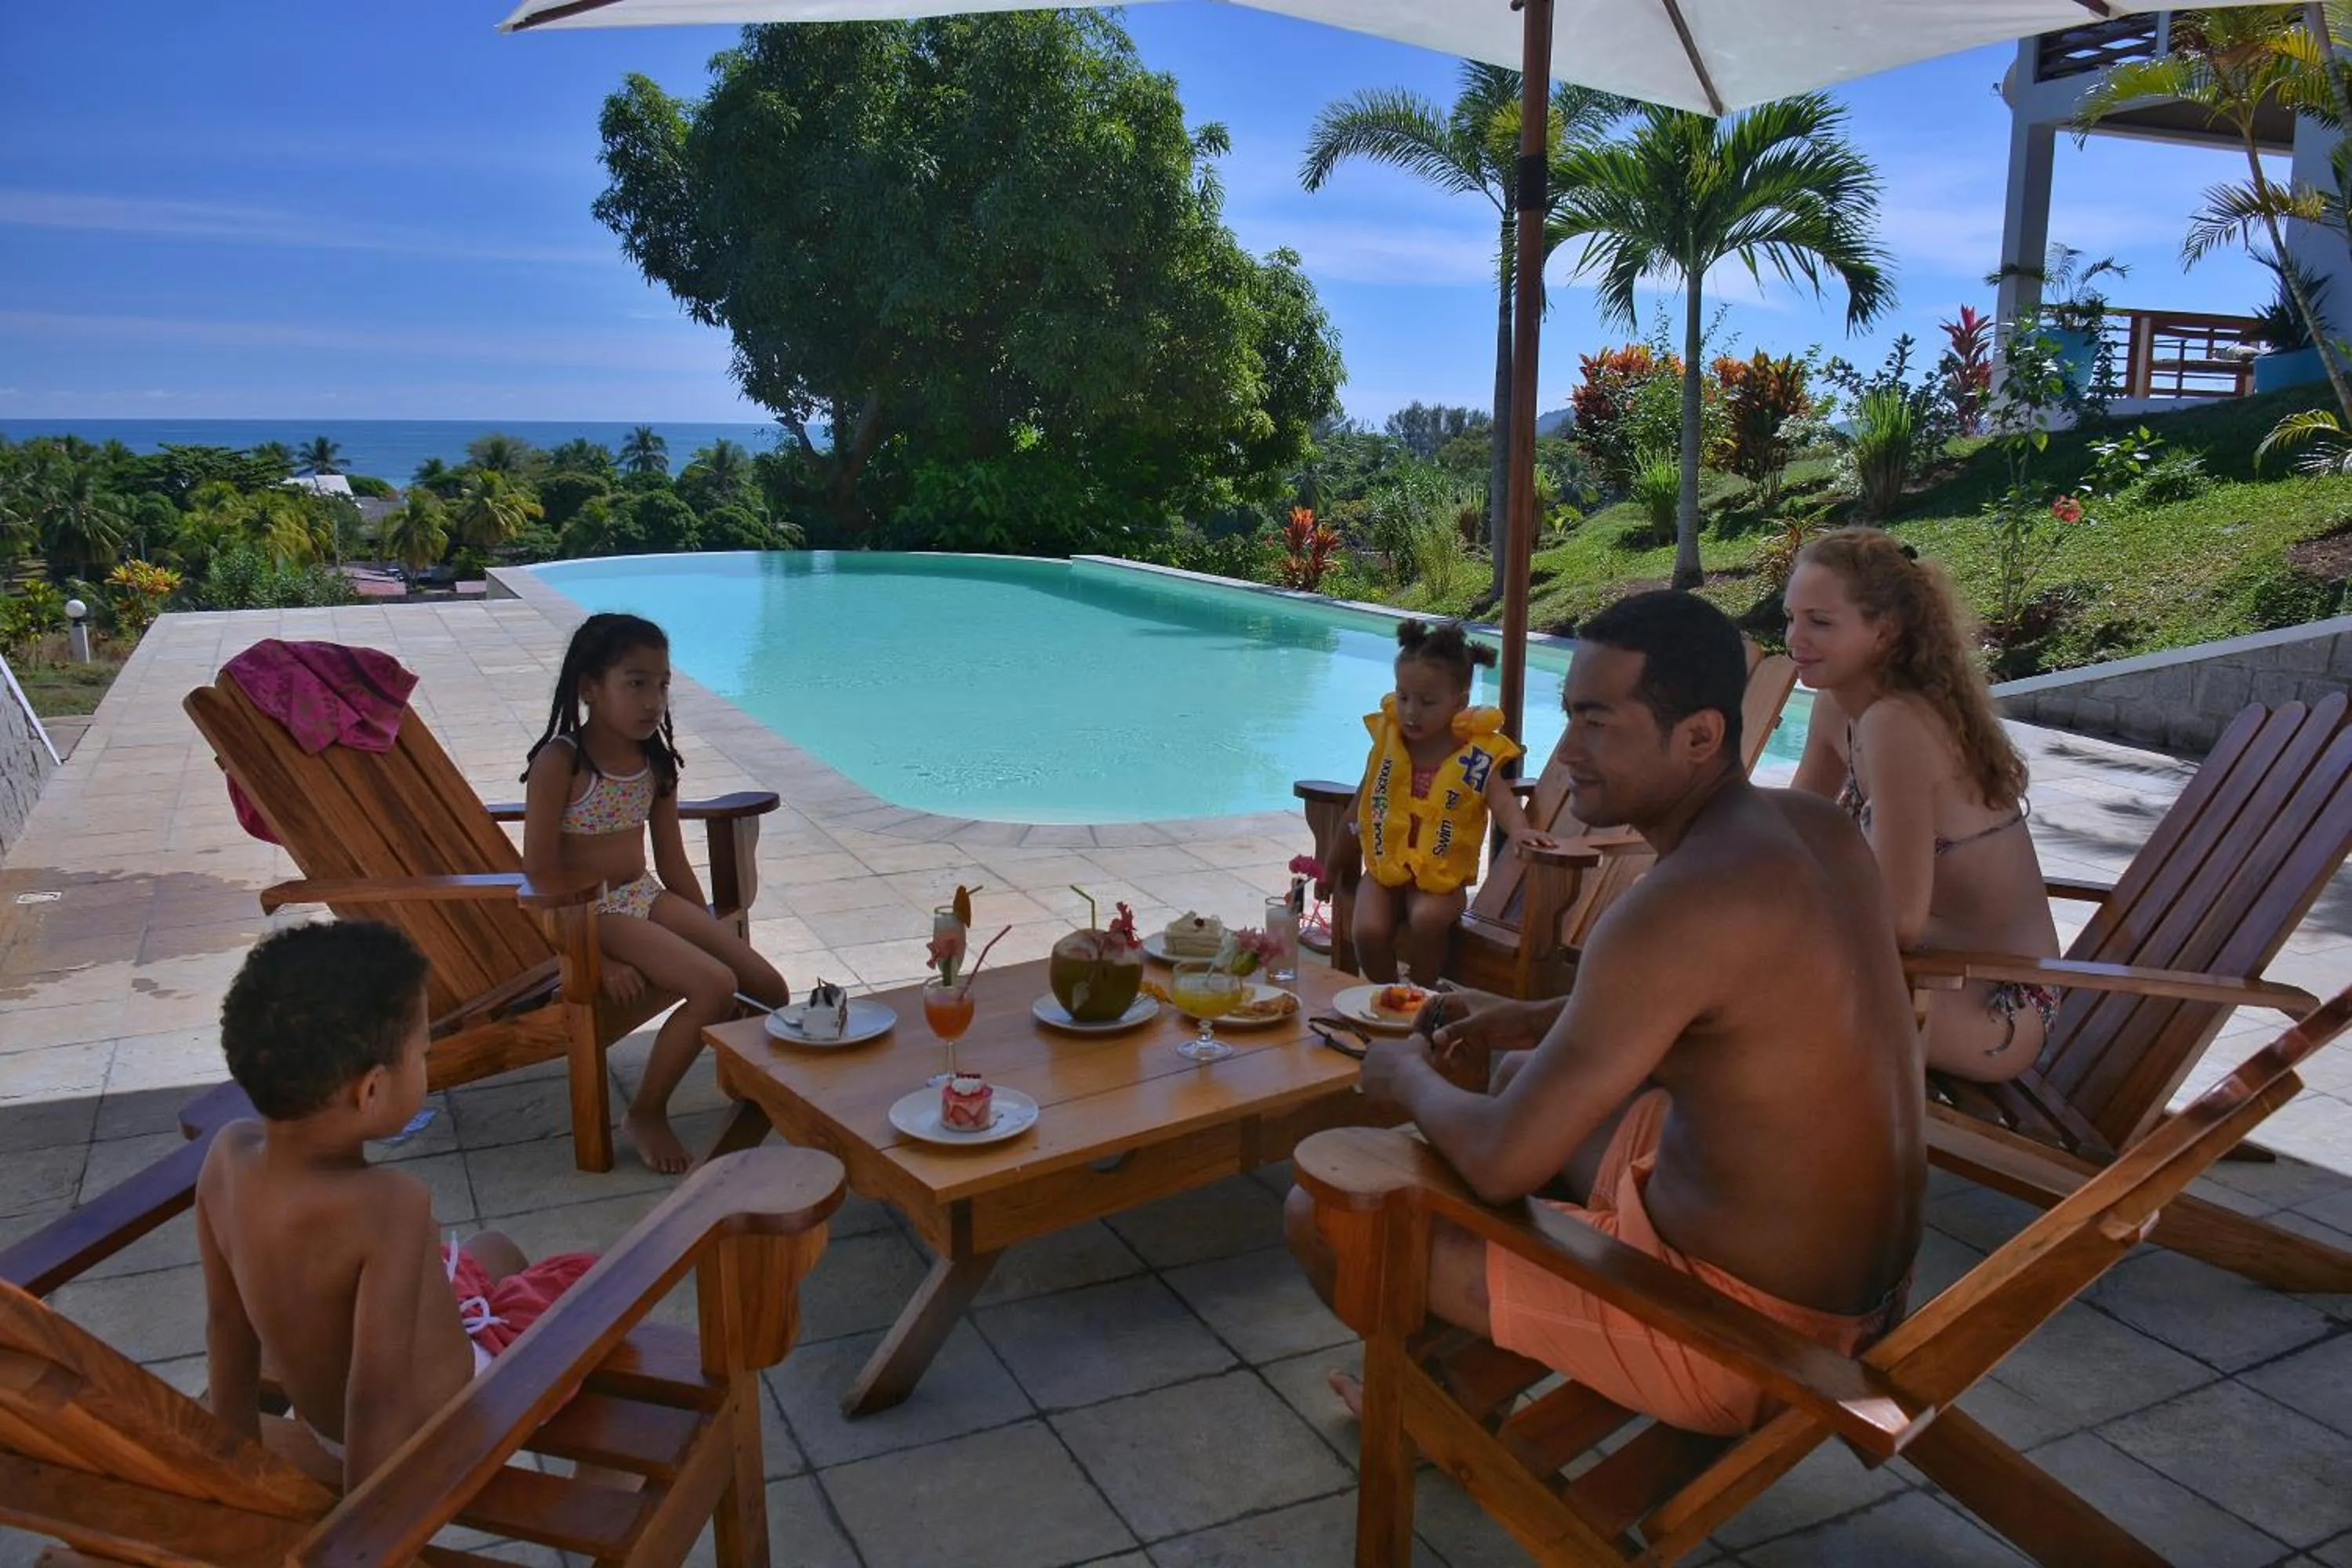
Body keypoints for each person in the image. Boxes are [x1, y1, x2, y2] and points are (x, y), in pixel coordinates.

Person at [1289, 591, 1924, 1436]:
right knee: (1518, 1070)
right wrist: (1534, 1014)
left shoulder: (1677, 904)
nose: (1569, 752)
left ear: (1699, 735)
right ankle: (1453, 1392)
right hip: (1860, 1287)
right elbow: (1733, 1016)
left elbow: (1502, 1163)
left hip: (1754, 1335)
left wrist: (1402, 1074)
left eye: (1596, 723)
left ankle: (1432, 1420)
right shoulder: (1815, 828)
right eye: (1569, 718)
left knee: (1329, 1215)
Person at [196, 921, 599, 1486]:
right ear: (372, 1090)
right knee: (594, 1292)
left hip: (327, 1426)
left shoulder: (226, 1156)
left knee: (494, 1249)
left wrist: (233, 1466)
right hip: (435, 1432)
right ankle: (608, 1493)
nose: (427, 1067)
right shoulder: (389, 1208)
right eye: (424, 1054)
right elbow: (377, 1399)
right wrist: (367, 1537)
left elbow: (226, 1325)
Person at [1784, 528, 2062, 1081]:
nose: (1796, 638)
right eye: (1790, 618)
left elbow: (1900, 921)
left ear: (1883, 632)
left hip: (1990, 1003)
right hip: (1919, 977)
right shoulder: (1839, 708)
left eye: (1820, 622)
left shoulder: (1898, 724)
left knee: (1748, 989)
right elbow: (1792, 834)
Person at [522, 612, 790, 1171]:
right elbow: (539, 877)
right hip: (589, 912)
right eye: (635, 682)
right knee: (714, 985)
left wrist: (709, 931)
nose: (653, 700)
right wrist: (597, 955)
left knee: (767, 985)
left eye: (663, 684)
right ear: (590, 687)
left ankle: (744, 1089)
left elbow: (672, 863)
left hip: (642, 897)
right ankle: (645, 1110)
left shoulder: (655, 761)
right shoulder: (562, 762)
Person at [1350, 619, 1555, 983]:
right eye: (1403, 697)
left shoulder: (1472, 755)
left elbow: (1502, 800)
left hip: (1440, 876)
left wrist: (1521, 831)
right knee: (1367, 931)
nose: (1411, 711)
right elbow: (1363, 800)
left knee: (1427, 920)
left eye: (1427, 702)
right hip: (1386, 869)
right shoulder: (1391, 745)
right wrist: (1337, 858)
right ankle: (1386, 997)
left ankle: (1421, 996)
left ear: (1459, 702)